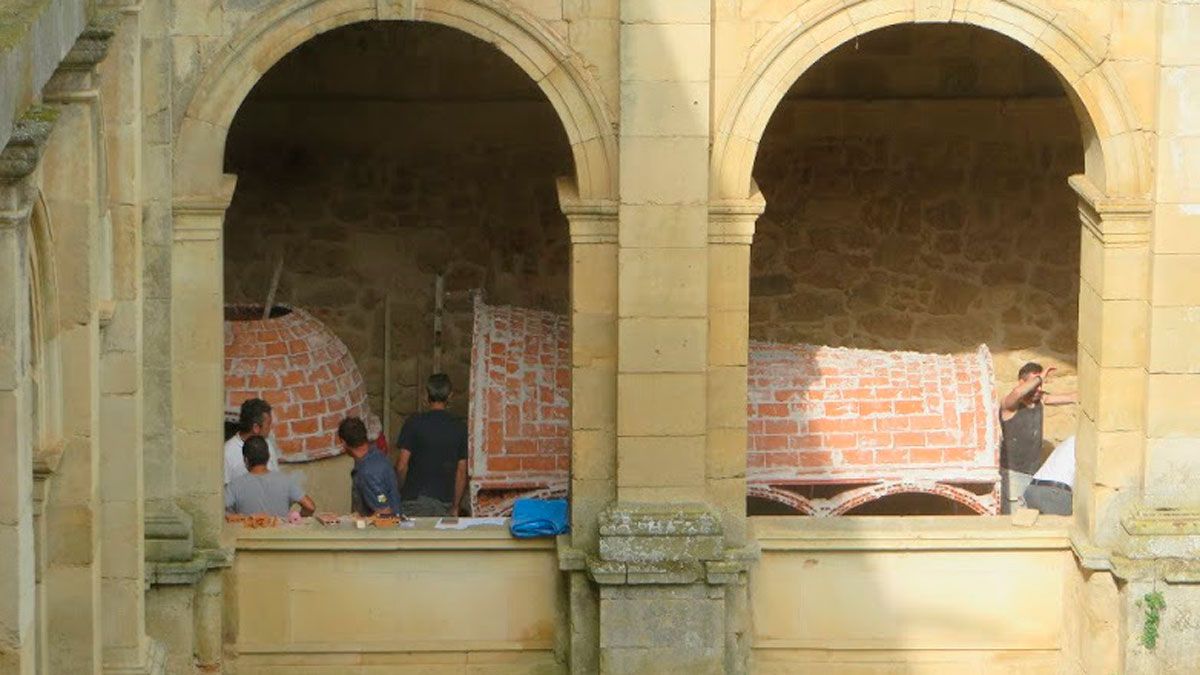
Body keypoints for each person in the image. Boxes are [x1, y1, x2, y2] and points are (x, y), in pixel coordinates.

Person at [999, 362, 1077, 513]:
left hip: (1033, 475)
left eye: (1041, 384)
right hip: (1013, 474)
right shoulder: (1010, 406)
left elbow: (1073, 397)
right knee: (1016, 520)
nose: (1039, 389)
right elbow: (1016, 394)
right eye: (1035, 383)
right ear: (1022, 382)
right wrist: (1040, 377)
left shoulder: (1040, 400)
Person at [394, 373, 469, 517]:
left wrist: (399, 491)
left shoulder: (413, 423)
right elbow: (461, 472)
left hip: (414, 500)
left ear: (426, 395)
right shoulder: (459, 428)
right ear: (450, 396)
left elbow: (402, 465)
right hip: (444, 503)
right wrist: (455, 506)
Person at [225, 435, 315, 517]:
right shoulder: (286, 481)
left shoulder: (234, 486)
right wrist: (296, 518)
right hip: (280, 534)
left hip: (248, 534)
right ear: (268, 457)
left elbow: (220, 512)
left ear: (246, 460)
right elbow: (310, 507)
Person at [340, 416, 403, 517]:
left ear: (344, 443)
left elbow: (384, 510)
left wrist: (363, 521)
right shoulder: (375, 455)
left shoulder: (368, 472)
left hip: (384, 530)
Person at [224, 398, 280, 485]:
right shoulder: (227, 453)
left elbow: (277, 479)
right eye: (268, 425)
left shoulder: (268, 444)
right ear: (256, 428)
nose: (270, 429)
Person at [1023, 435, 1074, 516]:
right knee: (1061, 527)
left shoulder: (1071, 440)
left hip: (1033, 489)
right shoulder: (1087, 443)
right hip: (1054, 493)